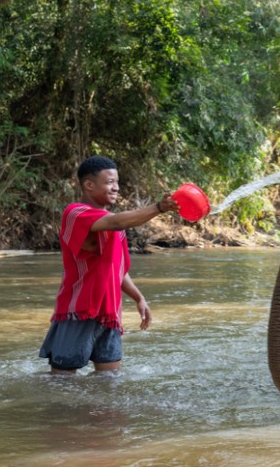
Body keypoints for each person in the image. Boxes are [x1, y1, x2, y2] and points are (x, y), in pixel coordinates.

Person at [38, 156, 178, 374]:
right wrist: (159, 207)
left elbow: (116, 269)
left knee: (108, 381)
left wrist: (139, 298)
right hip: (79, 310)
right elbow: (117, 221)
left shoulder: (115, 224)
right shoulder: (75, 213)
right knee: (62, 383)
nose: (116, 188)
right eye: (110, 182)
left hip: (109, 313)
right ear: (89, 184)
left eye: (117, 182)